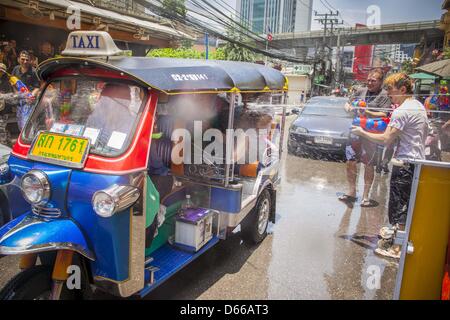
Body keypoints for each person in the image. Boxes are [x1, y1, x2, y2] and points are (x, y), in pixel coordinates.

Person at [351, 73, 429, 259]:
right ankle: (398, 238)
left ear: (403, 89)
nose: (389, 95)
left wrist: (362, 132)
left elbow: (386, 139)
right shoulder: (417, 105)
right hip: (416, 162)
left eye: (391, 90)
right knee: (406, 204)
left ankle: (396, 249)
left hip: (405, 163)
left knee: (399, 205)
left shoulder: (402, 111)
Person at [338, 68, 391, 207]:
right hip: (355, 131)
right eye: (368, 79)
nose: (369, 82)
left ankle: (366, 196)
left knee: (369, 164)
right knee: (350, 161)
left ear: (381, 82)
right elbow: (347, 102)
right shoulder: (361, 91)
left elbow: (384, 115)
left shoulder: (384, 95)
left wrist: (366, 111)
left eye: (373, 80)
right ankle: (351, 192)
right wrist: (348, 107)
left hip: (371, 135)